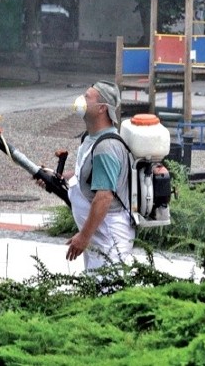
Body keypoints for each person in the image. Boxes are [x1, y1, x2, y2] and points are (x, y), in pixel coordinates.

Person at [41, 80, 135, 271]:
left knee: (109, 291)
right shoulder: (90, 138)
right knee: (96, 289)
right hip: (99, 236)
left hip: (110, 238)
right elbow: (86, 176)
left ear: (101, 108)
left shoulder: (106, 147)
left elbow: (104, 197)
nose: (81, 100)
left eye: (87, 97)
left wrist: (83, 237)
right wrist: (53, 177)